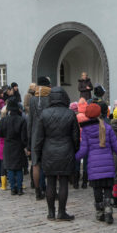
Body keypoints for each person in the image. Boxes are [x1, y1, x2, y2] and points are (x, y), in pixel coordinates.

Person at [75, 103, 117, 224]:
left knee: (97, 190)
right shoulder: (107, 127)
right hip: (108, 165)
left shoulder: (85, 130)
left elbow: (83, 150)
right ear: (100, 114)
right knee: (108, 188)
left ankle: (100, 213)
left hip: (94, 167)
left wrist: (74, 159)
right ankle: (108, 209)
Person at [35, 87, 80, 220]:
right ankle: (61, 212)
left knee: (50, 182)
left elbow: (39, 137)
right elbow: (76, 137)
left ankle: (50, 212)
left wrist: (37, 154)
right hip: (66, 150)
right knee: (64, 182)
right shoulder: (70, 114)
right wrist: (75, 150)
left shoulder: (44, 114)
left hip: (49, 150)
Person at [28, 76, 51, 200]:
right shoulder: (50, 98)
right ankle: (50, 190)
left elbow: (30, 121)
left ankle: (38, 191)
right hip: (48, 133)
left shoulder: (32, 100)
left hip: (35, 133)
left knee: (36, 163)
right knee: (49, 163)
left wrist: (28, 140)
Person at [0, 101, 27, 195]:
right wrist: (25, 146)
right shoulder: (22, 120)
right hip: (18, 145)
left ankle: (12, 188)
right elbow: (24, 136)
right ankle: (19, 188)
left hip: (8, 145)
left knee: (10, 168)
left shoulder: (4, 120)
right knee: (18, 168)